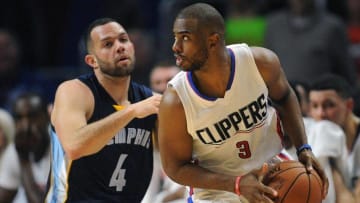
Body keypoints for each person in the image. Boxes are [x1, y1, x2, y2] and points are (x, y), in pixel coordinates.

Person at [158, 3, 328, 202]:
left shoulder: (260, 63)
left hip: (272, 173)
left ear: (212, 41)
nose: (175, 47)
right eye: (175, 37)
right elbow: (175, 168)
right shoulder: (176, 100)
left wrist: (303, 148)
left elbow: (285, 97)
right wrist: (235, 184)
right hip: (217, 191)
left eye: (185, 38)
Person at [44, 18, 161, 202]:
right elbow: (75, 146)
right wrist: (131, 112)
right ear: (92, 61)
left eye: (123, 40)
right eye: (108, 44)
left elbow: (176, 158)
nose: (120, 47)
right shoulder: (74, 92)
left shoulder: (148, 100)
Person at [264, 0, 357, 86]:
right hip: (279, 101)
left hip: (317, 101)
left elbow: (347, 77)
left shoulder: (332, 27)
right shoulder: (273, 25)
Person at [308, 73, 360, 202]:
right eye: (315, 106)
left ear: (349, 106)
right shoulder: (312, 134)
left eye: (329, 105)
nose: (321, 114)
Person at [142, 62, 184, 203]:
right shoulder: (146, 131)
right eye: (157, 82)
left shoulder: (199, 122)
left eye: (169, 80)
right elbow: (147, 191)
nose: (162, 87)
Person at [0, 92, 50, 203]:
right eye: (19, 118)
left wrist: (24, 160)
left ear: (47, 117)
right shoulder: (14, 150)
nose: (25, 125)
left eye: (32, 117)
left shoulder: (61, 149)